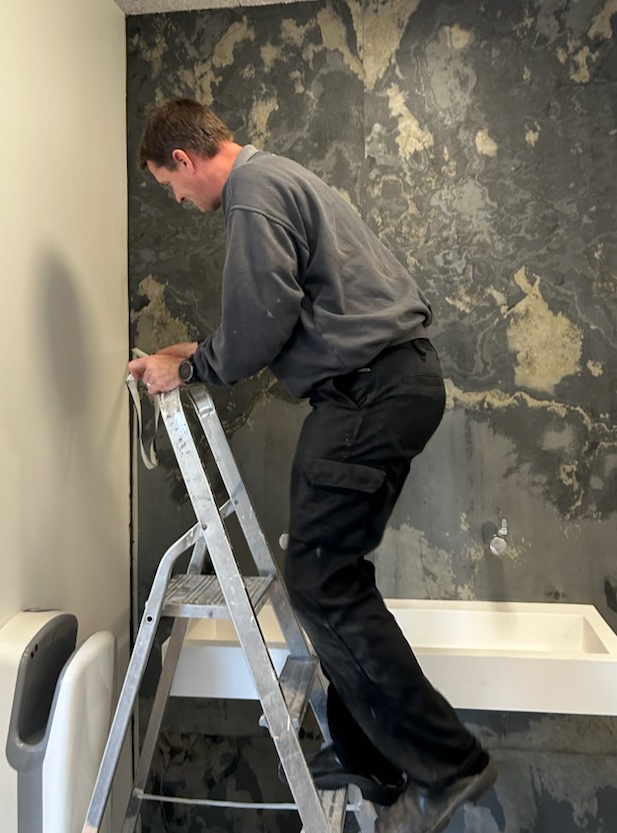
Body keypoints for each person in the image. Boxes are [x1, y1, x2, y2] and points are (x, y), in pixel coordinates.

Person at [128, 98, 497, 833]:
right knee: (328, 573)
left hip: (369, 392)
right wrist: (192, 353)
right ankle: (368, 754)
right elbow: (273, 315)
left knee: (321, 580)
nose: (179, 201)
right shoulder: (279, 179)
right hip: (386, 384)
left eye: (170, 186)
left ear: (185, 160)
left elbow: (260, 322)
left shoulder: (251, 195)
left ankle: (446, 764)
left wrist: (191, 366)